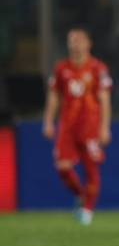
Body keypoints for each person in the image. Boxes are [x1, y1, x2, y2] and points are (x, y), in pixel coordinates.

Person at [42, 28, 112, 225]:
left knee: (90, 168)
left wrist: (105, 127)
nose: (76, 44)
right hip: (67, 126)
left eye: (80, 40)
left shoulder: (98, 68)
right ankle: (81, 195)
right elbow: (54, 96)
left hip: (90, 125)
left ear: (89, 44)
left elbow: (104, 99)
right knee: (62, 167)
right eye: (72, 40)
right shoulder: (61, 68)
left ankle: (87, 209)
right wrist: (48, 121)